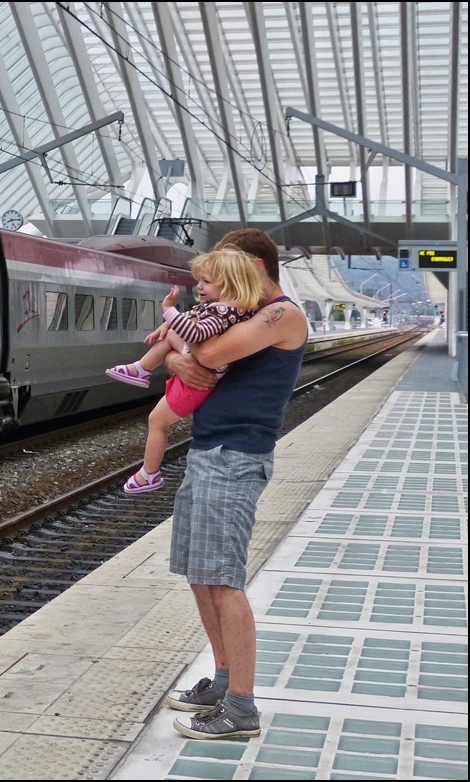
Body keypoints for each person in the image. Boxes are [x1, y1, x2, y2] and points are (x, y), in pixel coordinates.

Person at [161, 229, 308, 740]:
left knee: (224, 580)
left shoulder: (281, 314)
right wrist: (180, 355)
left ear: (250, 267)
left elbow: (208, 353)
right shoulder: (241, 310)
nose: (214, 283)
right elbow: (193, 353)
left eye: (223, 271)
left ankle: (241, 708)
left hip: (236, 457)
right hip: (208, 450)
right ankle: (224, 681)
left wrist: (180, 353)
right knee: (201, 574)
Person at [105, 249, 264, 493]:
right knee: (171, 333)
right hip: (199, 370)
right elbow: (193, 316)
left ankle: (149, 473)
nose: (199, 286)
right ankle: (141, 368)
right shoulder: (233, 309)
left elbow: (196, 332)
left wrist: (168, 310)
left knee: (156, 421)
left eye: (207, 282)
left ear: (231, 284)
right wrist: (170, 322)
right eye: (199, 280)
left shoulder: (222, 313)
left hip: (196, 382)